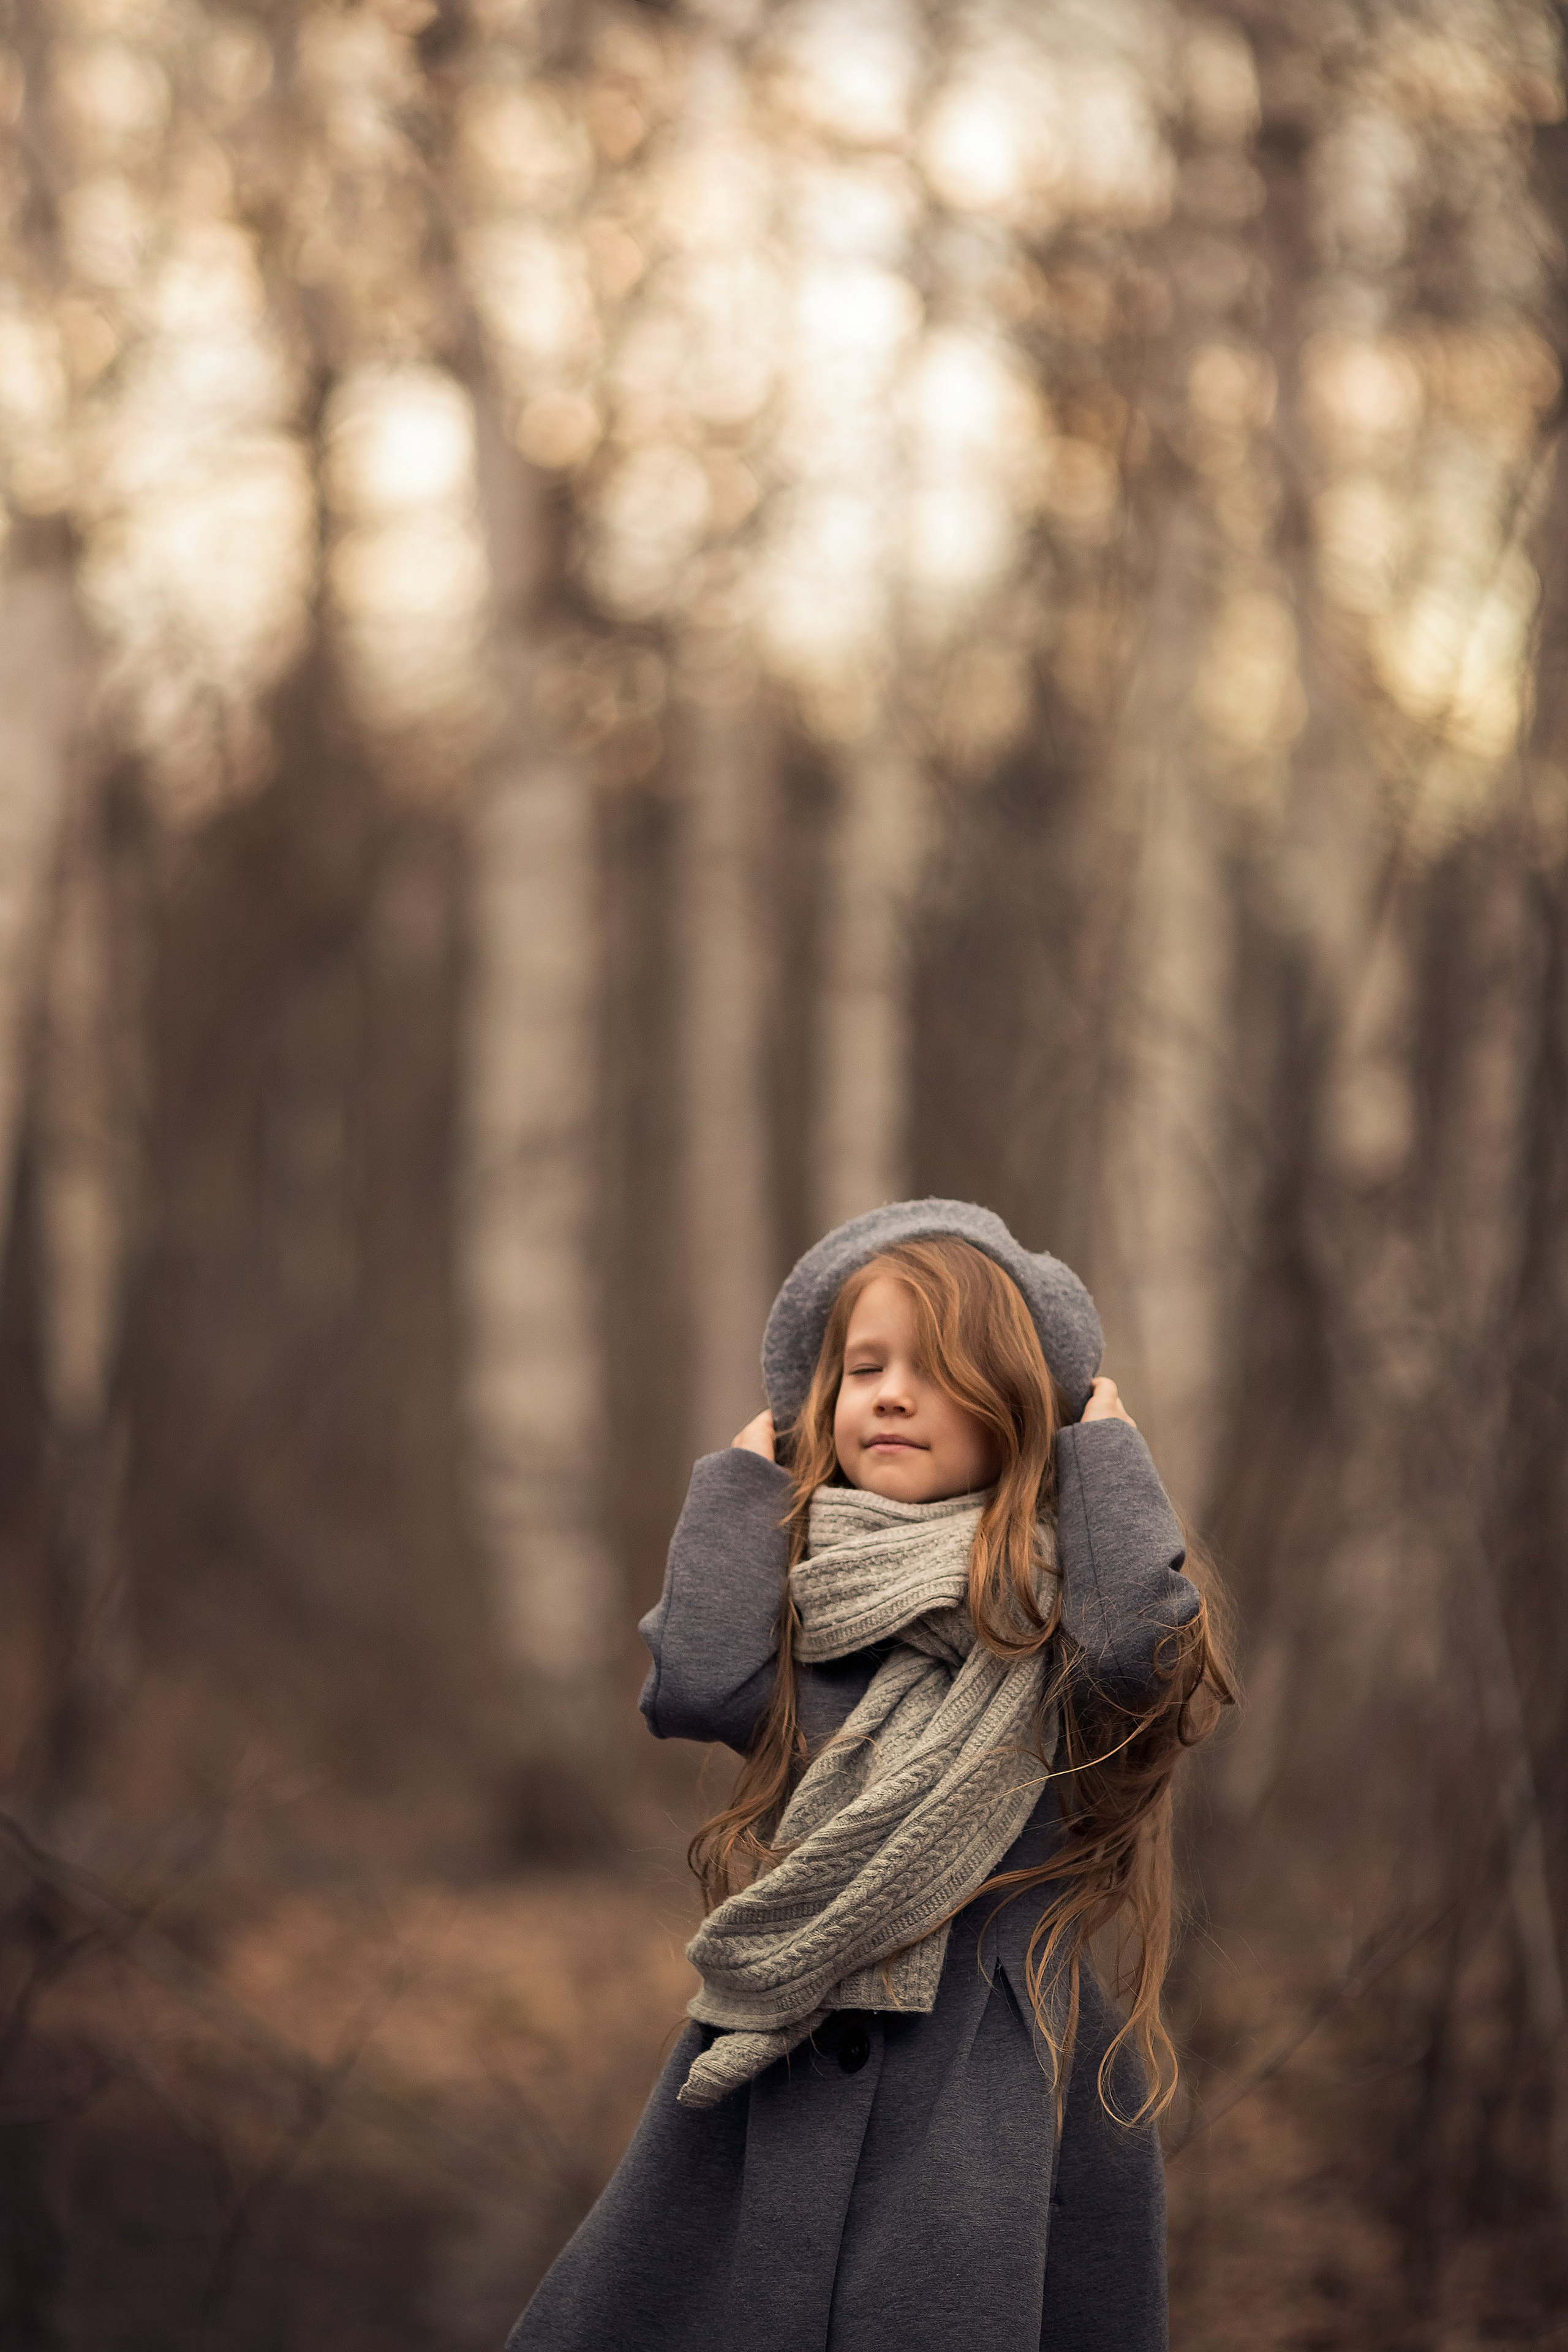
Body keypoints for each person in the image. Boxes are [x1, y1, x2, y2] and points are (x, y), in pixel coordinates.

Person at [508, 1199, 1235, 2352]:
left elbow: (1139, 1647)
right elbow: (695, 1684)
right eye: (863, 1368)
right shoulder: (815, 1614)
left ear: (1022, 1413)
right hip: (789, 2057)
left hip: (988, 2090)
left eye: (936, 1371)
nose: (889, 1394)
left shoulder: (1058, 1622)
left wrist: (1102, 1449)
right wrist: (741, 1486)